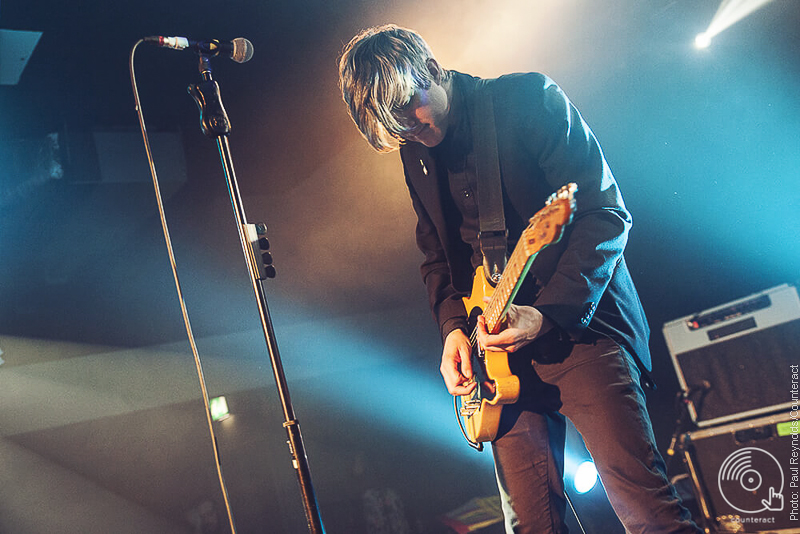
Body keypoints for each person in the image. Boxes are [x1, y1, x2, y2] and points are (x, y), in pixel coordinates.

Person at [338, 24, 700, 534]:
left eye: (408, 110)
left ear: (430, 69)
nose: (409, 130)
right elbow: (437, 259)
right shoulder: (414, 153)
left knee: (649, 516)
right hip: (500, 365)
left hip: (582, 333)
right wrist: (452, 333)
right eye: (394, 126)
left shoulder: (527, 99)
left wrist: (548, 312)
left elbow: (605, 214)